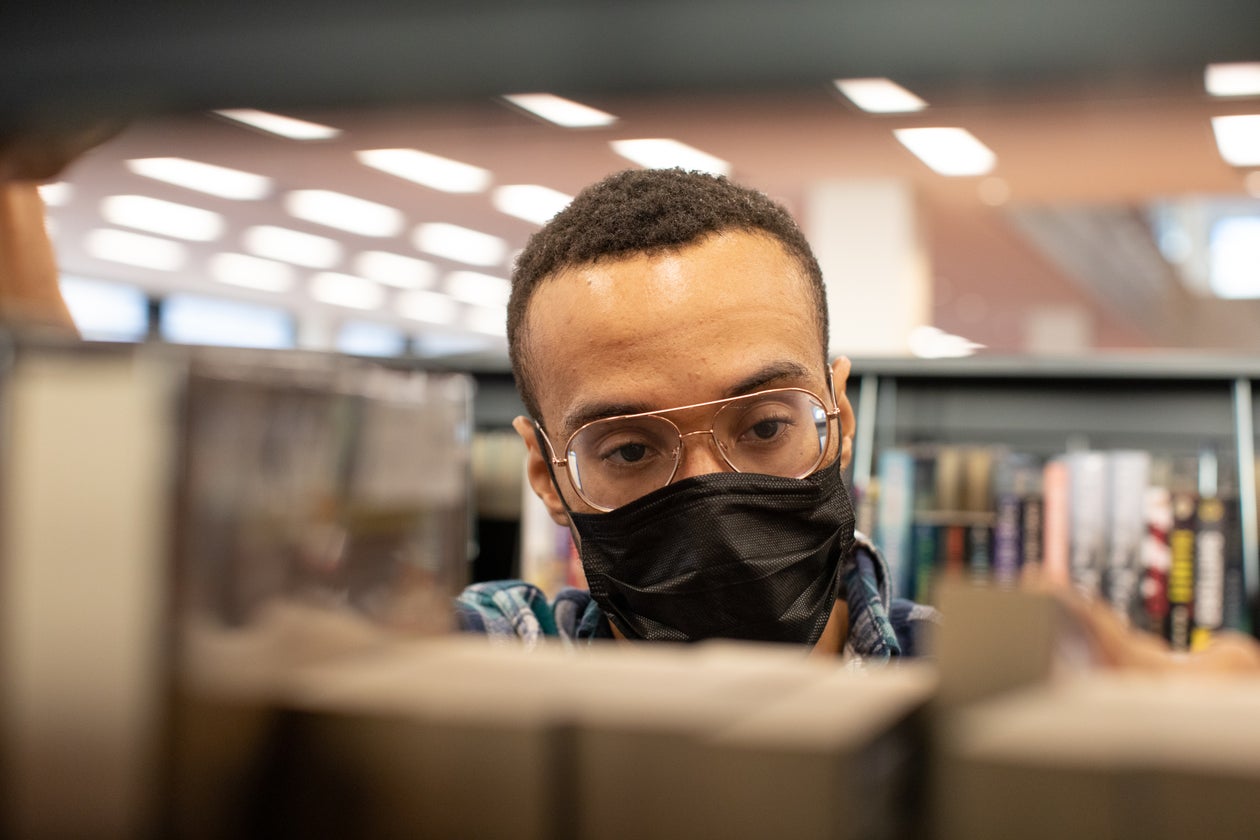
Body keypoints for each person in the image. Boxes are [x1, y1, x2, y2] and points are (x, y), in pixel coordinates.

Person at [456, 167, 938, 662]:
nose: (710, 506)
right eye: (630, 450)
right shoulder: (489, 659)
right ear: (544, 474)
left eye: (765, 426)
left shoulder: (986, 677)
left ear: (842, 420)